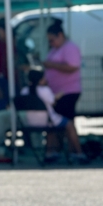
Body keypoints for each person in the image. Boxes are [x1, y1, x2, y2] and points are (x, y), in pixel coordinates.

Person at [0, 67, 66, 157]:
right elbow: (52, 102)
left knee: (52, 126)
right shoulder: (45, 90)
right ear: (41, 80)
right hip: (44, 122)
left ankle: (50, 152)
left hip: (28, 122)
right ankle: (73, 152)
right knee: (65, 124)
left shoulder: (25, 90)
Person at [42, 19, 86, 163]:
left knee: (66, 123)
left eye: (52, 40)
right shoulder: (56, 49)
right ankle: (60, 150)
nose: (51, 43)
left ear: (60, 35)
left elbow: (73, 67)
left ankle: (77, 151)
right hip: (57, 92)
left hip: (68, 91)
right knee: (59, 124)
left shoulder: (70, 48)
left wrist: (51, 65)